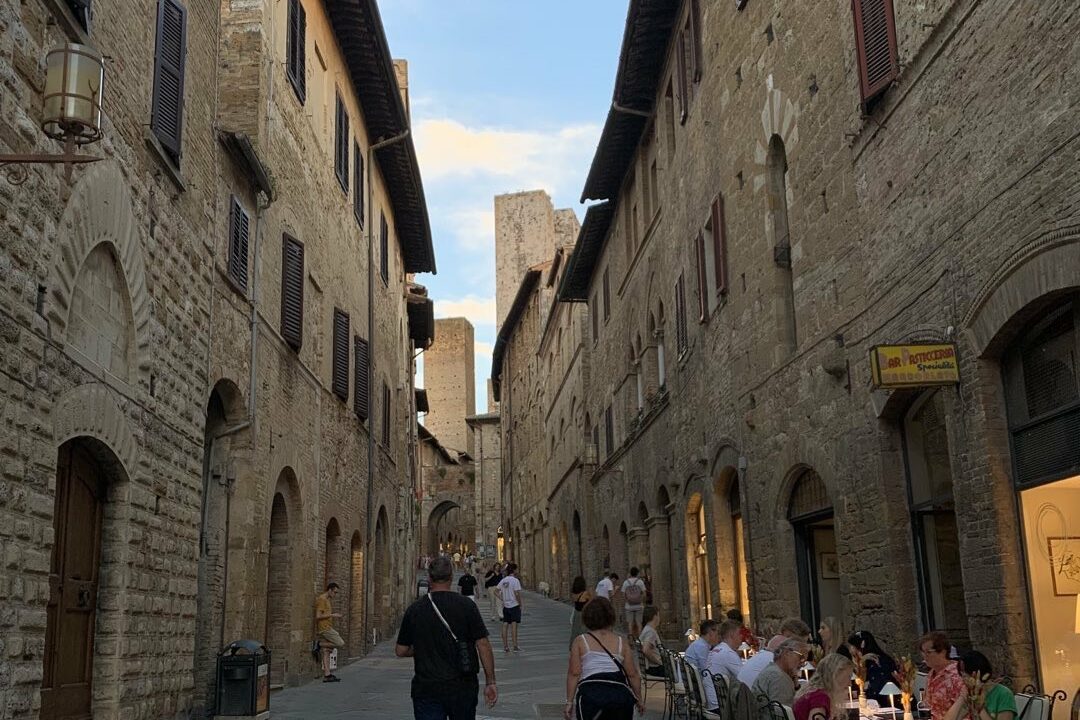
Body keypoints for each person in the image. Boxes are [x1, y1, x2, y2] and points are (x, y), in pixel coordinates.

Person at [396, 556, 498, 719]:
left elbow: (401, 650)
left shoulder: (415, 609)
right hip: (462, 687)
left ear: (429, 578)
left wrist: (423, 647)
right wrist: (490, 681)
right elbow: (483, 644)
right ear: (451, 577)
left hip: (426, 688)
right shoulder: (467, 606)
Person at [563, 597, 644, 720]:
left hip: (592, 697)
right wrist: (639, 699)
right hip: (619, 697)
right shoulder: (621, 642)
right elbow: (632, 675)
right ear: (610, 616)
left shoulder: (580, 641)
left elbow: (574, 673)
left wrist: (569, 702)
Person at [739, 617, 812, 687]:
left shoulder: (768, 654)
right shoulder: (779, 661)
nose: (804, 649)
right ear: (788, 636)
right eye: (801, 645)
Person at [943, 651, 1016, 720]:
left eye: (965, 676)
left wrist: (979, 708)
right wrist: (962, 698)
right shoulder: (970, 695)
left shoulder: (1003, 694)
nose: (963, 680)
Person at [752, 638, 808, 714]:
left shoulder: (773, 670)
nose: (803, 664)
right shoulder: (779, 677)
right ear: (786, 653)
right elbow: (783, 715)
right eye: (801, 658)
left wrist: (795, 682)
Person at [794, 653, 855, 720]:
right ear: (835, 675)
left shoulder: (814, 692)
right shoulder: (820, 697)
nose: (850, 684)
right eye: (848, 676)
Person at [920, 631, 966, 720]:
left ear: (943, 652)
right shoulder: (931, 673)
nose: (924, 656)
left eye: (928, 652)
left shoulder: (956, 674)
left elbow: (963, 709)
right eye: (923, 652)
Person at [847, 630, 899, 705]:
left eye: (852, 646)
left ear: (862, 645)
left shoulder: (877, 661)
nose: (850, 649)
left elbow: (873, 687)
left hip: (885, 701)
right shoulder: (861, 661)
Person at [314, 582, 346, 682]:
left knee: (326, 651)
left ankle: (327, 675)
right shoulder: (322, 599)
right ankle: (319, 644)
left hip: (327, 627)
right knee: (340, 643)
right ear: (330, 590)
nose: (335, 595)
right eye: (335, 592)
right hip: (325, 628)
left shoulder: (327, 599)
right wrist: (333, 615)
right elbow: (318, 616)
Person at [707, 618, 746, 685]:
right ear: (732, 635)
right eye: (739, 633)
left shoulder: (717, 649)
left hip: (713, 693)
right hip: (721, 694)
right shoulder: (728, 653)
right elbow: (745, 678)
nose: (741, 636)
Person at [498, 563, 523, 652]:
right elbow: (517, 593)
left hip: (506, 605)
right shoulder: (515, 581)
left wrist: (502, 598)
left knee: (505, 625)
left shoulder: (504, 580)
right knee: (514, 626)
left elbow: (496, 591)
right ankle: (515, 646)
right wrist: (520, 603)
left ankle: (505, 646)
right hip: (514, 605)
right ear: (514, 570)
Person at [638, 606, 665, 678]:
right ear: (655, 616)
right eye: (659, 615)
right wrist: (659, 662)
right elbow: (645, 650)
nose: (659, 618)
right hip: (655, 668)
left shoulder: (646, 629)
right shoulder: (650, 632)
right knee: (678, 670)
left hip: (651, 667)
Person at [621, 568, 647, 638]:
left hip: (629, 606)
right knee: (639, 623)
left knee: (630, 623)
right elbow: (644, 594)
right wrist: (641, 600)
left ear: (630, 573)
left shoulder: (626, 582)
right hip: (639, 605)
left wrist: (627, 600)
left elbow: (623, 595)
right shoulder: (640, 582)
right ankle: (640, 640)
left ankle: (631, 640)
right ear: (637, 573)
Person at [569, 576, 594, 650]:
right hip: (583, 614)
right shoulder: (585, 593)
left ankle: (574, 646)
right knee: (584, 630)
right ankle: (585, 646)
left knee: (575, 631)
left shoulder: (573, 593)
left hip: (576, 614)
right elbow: (592, 601)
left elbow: (574, 602)